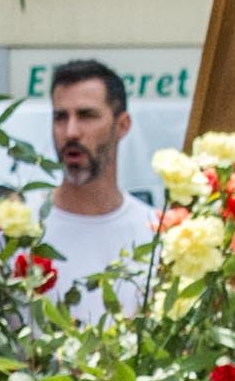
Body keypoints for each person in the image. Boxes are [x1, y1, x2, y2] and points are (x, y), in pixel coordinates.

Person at [30, 60, 159, 289]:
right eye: (60, 117)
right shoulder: (20, 228)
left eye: (86, 116)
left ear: (122, 125)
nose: (71, 132)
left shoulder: (154, 234)